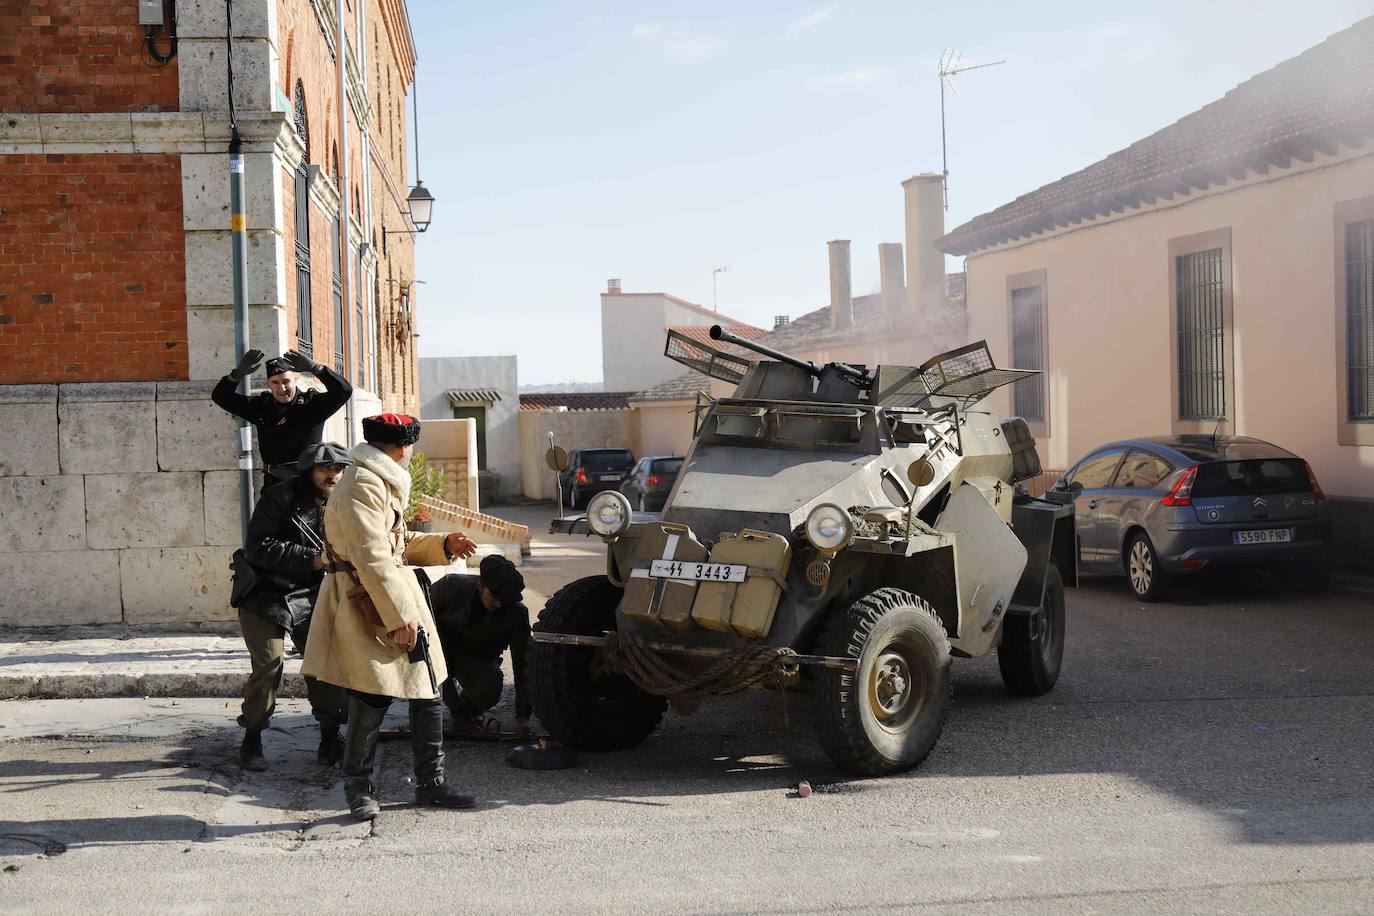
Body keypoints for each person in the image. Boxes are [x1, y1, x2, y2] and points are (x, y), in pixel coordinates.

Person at [301, 413, 480, 821]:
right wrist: (399, 618)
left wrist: (443, 544)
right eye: (411, 447)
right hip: (367, 600)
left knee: (428, 690)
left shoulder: (378, 480)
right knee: (371, 694)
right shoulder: (363, 484)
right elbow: (371, 556)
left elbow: (395, 542)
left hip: (389, 593)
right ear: (402, 448)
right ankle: (357, 788)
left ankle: (430, 784)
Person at [233, 442, 351, 771]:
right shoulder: (280, 497)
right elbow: (257, 547)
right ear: (309, 471)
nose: (333, 475)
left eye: (338, 469)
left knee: (323, 665)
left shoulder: (344, 501)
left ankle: (330, 736)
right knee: (269, 665)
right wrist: (311, 559)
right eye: (325, 469)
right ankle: (252, 737)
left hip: (311, 596)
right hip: (265, 594)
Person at [212, 348, 353, 482]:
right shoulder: (261, 406)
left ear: (295, 379)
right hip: (273, 486)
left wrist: (316, 369)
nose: (282, 388)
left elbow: (343, 391)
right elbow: (221, 397)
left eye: (286, 381)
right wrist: (236, 376)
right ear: (269, 384)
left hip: (308, 485)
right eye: (275, 382)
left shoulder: (312, 404)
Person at [431, 556, 531, 739]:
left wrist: (522, 716)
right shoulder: (449, 587)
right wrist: (456, 709)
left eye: (504, 600)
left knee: (489, 687)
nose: (499, 604)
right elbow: (421, 627)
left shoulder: (516, 613)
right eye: (495, 596)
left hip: (475, 658)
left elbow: (523, 663)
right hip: (437, 652)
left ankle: (469, 708)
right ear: (480, 585)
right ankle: (431, 712)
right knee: (426, 682)